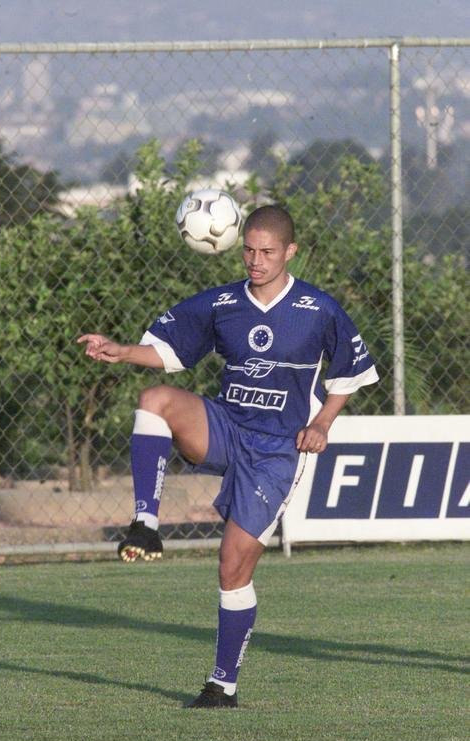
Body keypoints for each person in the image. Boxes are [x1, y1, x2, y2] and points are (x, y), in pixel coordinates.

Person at [77, 205, 379, 709]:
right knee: (155, 400)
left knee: (232, 567)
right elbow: (171, 352)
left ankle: (222, 686)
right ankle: (145, 524)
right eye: (249, 250)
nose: (255, 261)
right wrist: (121, 350)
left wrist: (322, 423)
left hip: (277, 451)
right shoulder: (222, 303)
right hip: (226, 427)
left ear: (290, 252)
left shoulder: (318, 308)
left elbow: (349, 375)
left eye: (267, 252)